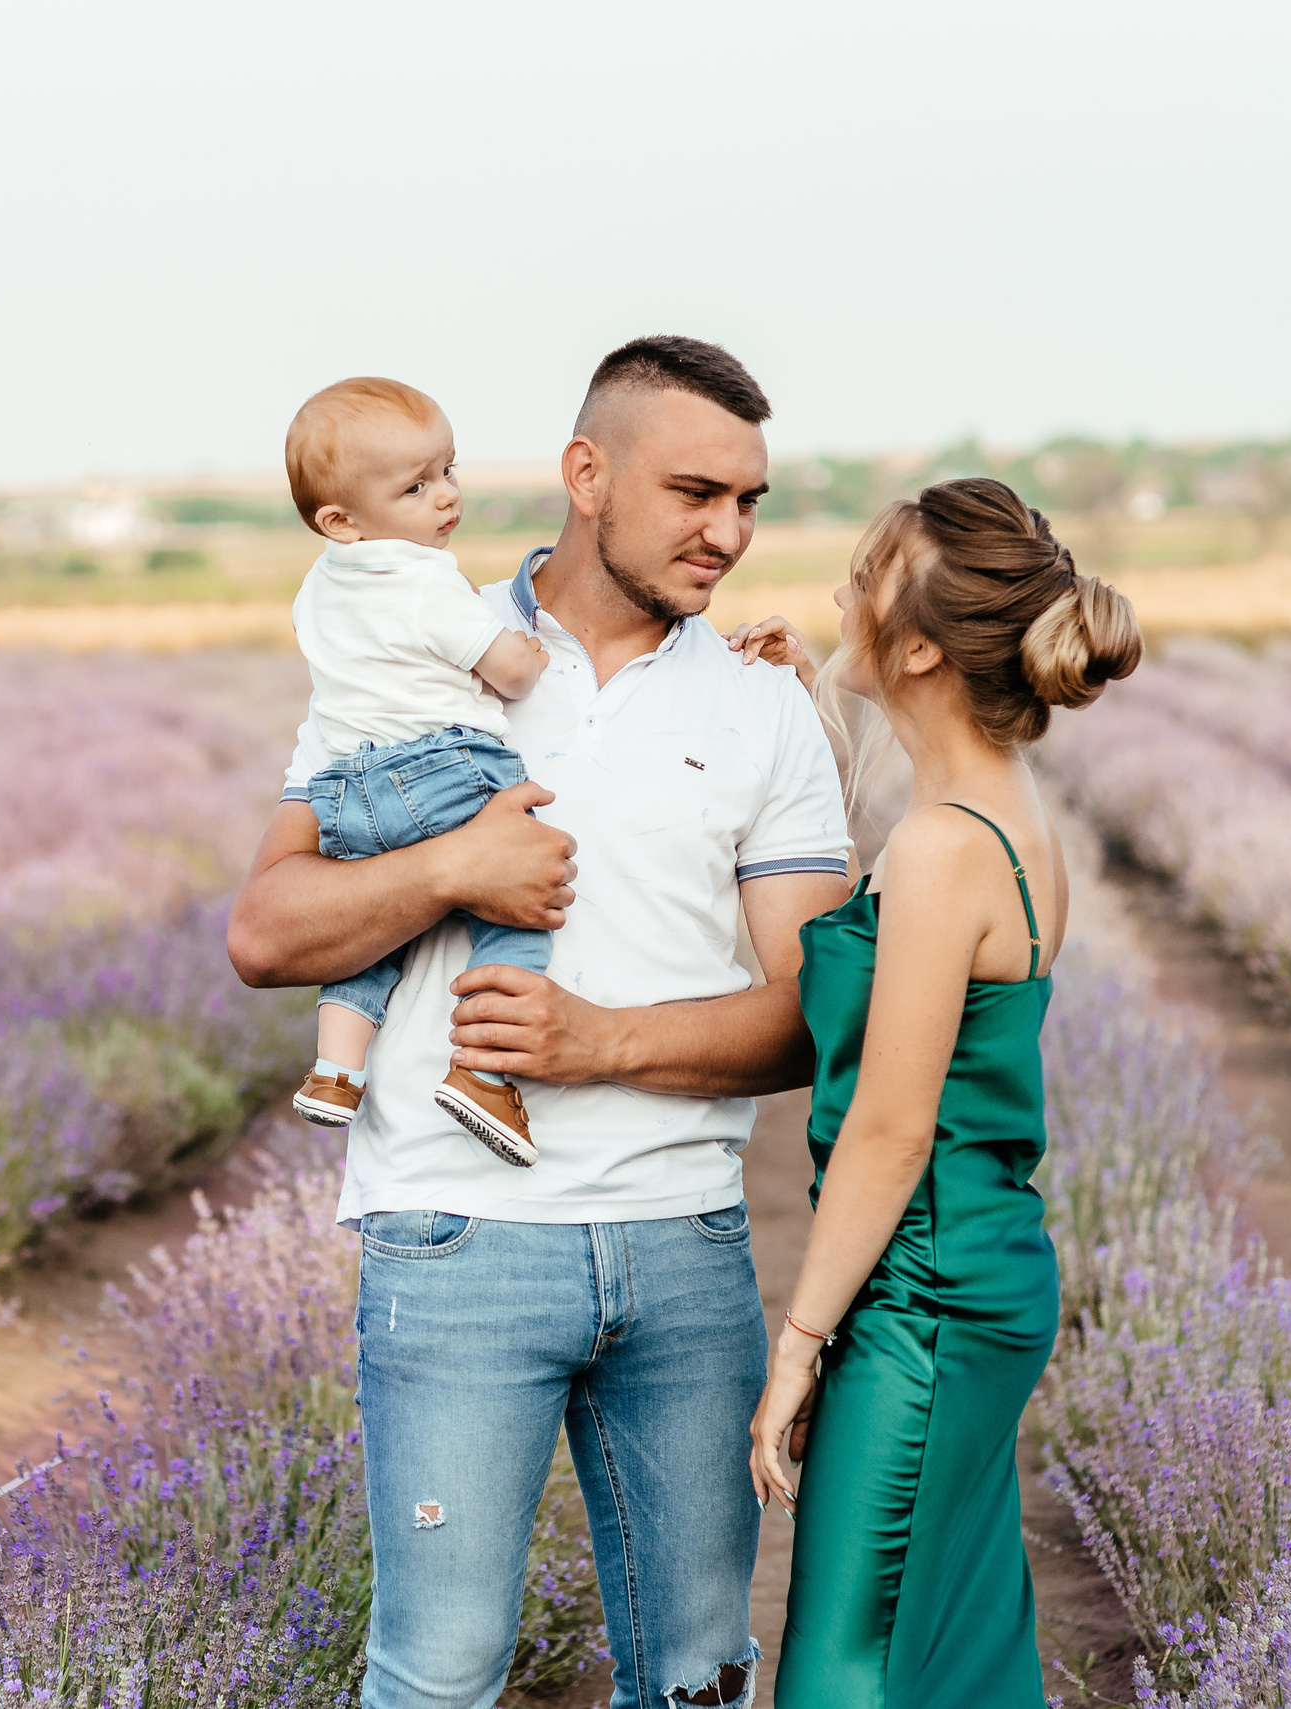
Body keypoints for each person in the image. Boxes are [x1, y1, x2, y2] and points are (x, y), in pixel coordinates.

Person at [228, 335, 853, 1709]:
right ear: (586, 473)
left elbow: (819, 1019)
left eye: (749, 500)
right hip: (454, 1241)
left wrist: (596, 1043)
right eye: (696, 490)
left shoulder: (761, 704)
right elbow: (266, 932)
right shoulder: (414, 649)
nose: (728, 532)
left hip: (684, 1249)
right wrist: (452, 869)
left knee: (699, 1674)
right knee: (439, 1675)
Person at [739, 478, 1142, 1706]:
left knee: (844, 1664)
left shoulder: (943, 847)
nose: (842, 588)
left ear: (918, 643)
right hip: (975, 1274)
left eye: (867, 572)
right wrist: (816, 720)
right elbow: (864, 970)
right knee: (943, 1639)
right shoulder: (993, 817)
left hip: (921, 1300)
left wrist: (799, 1344)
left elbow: (892, 1121)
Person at [280, 376, 556, 1164]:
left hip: (345, 792)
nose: (447, 497)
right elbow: (506, 669)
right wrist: (527, 653)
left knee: (374, 941)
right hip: (443, 767)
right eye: (416, 485)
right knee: (521, 899)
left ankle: (336, 1070)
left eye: (449, 471)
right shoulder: (426, 578)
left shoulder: (319, 587)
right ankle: (481, 1072)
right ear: (341, 518)